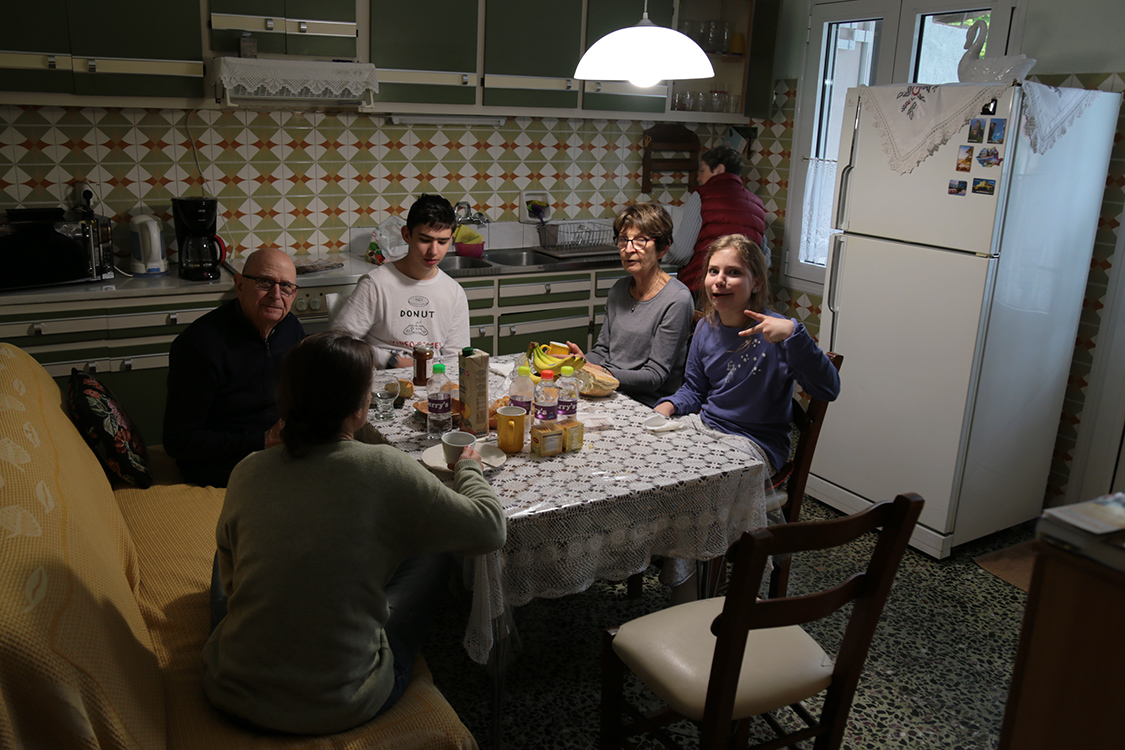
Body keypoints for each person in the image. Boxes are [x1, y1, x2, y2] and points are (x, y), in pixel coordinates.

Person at [202, 331, 506, 734]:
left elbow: (231, 577)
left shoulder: (248, 470)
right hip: (341, 700)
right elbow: (489, 529)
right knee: (433, 548)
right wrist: (469, 467)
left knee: (242, 544)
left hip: (233, 688)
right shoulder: (385, 467)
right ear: (360, 406)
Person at [654, 234, 840, 477]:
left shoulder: (779, 333)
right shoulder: (704, 327)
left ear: (757, 283)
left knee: (700, 479)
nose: (719, 280)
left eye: (733, 272)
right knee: (653, 457)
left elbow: (828, 390)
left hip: (756, 443)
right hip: (707, 427)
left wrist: (795, 334)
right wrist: (667, 406)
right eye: (713, 271)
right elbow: (695, 389)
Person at [163, 248, 304, 487]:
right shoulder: (200, 345)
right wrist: (263, 440)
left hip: (276, 448)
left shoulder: (291, 328)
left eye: (286, 286)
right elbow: (179, 441)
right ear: (239, 285)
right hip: (220, 462)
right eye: (265, 282)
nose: (276, 294)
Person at [566, 203, 694, 407]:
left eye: (640, 241)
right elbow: (602, 351)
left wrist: (603, 372)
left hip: (646, 403)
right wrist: (578, 362)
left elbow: (655, 376)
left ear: (663, 249)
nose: (628, 249)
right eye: (624, 240)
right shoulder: (619, 289)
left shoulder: (677, 299)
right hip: (609, 391)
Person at [331, 194, 470, 368]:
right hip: (384, 380)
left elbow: (456, 358)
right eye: (425, 240)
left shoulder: (454, 292)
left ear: (451, 240)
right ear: (407, 235)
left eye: (442, 242)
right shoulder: (376, 284)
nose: (433, 251)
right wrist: (391, 360)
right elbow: (338, 342)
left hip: (434, 381)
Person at [666, 145, 768, 304]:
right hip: (742, 295)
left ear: (719, 169)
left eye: (702, 170)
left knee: (699, 328)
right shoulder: (758, 204)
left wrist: (661, 250)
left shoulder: (701, 196)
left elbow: (680, 254)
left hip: (703, 290)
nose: (699, 177)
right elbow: (763, 260)